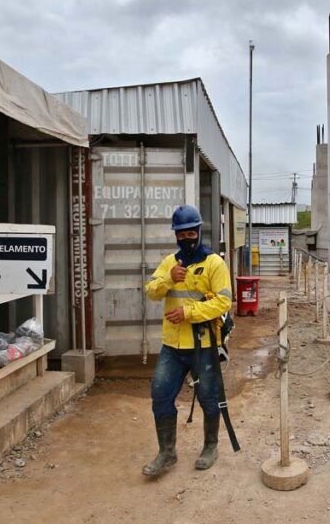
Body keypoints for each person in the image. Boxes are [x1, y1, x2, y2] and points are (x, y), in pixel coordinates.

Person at [142, 204, 232, 477]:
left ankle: (210, 447)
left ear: (199, 230)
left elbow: (224, 302)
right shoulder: (171, 263)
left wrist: (189, 312)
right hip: (172, 346)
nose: (187, 238)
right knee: (160, 395)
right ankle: (167, 453)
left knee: (209, 397)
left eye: (191, 232)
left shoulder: (214, 263)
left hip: (203, 346)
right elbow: (151, 292)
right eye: (181, 234)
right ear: (176, 235)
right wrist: (168, 280)